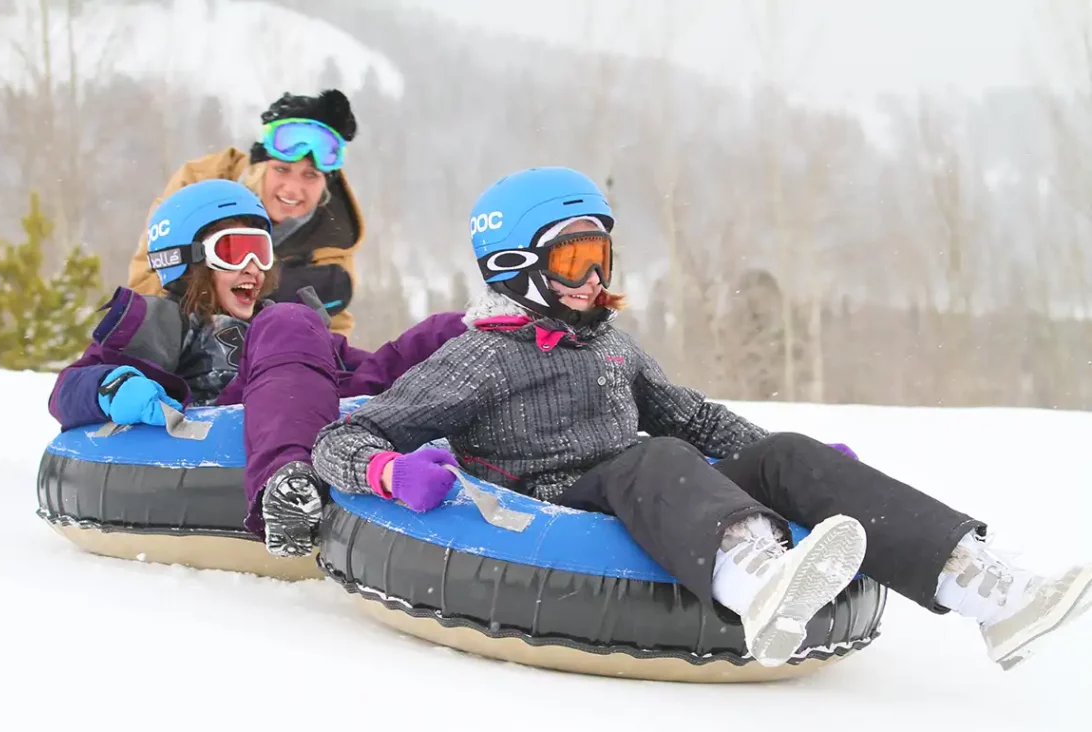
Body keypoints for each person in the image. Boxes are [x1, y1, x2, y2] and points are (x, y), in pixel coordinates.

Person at [311, 166, 1092, 670]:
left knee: (781, 451)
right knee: (649, 459)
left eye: (601, 258)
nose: (593, 278)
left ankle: (986, 589)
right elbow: (343, 438)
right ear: (515, 267)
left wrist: (814, 473)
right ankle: (757, 581)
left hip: (646, 487)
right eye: (573, 260)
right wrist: (386, 470)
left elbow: (695, 419)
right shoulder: (481, 356)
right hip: (559, 504)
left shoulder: (611, 345)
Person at [50, 179, 466, 557]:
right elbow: (67, 390)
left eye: (261, 251)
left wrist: (451, 336)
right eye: (234, 250)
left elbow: (368, 377)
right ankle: (288, 486)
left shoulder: (289, 330)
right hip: (233, 437)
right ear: (185, 261)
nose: (253, 266)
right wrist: (111, 385)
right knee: (287, 319)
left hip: (310, 415)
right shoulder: (160, 323)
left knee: (439, 332)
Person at [127, 89, 365, 336]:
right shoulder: (202, 184)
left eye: (311, 175)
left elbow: (334, 335)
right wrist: (257, 290)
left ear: (326, 184)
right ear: (259, 166)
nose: (294, 189)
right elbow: (147, 285)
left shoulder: (331, 239)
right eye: (282, 170)